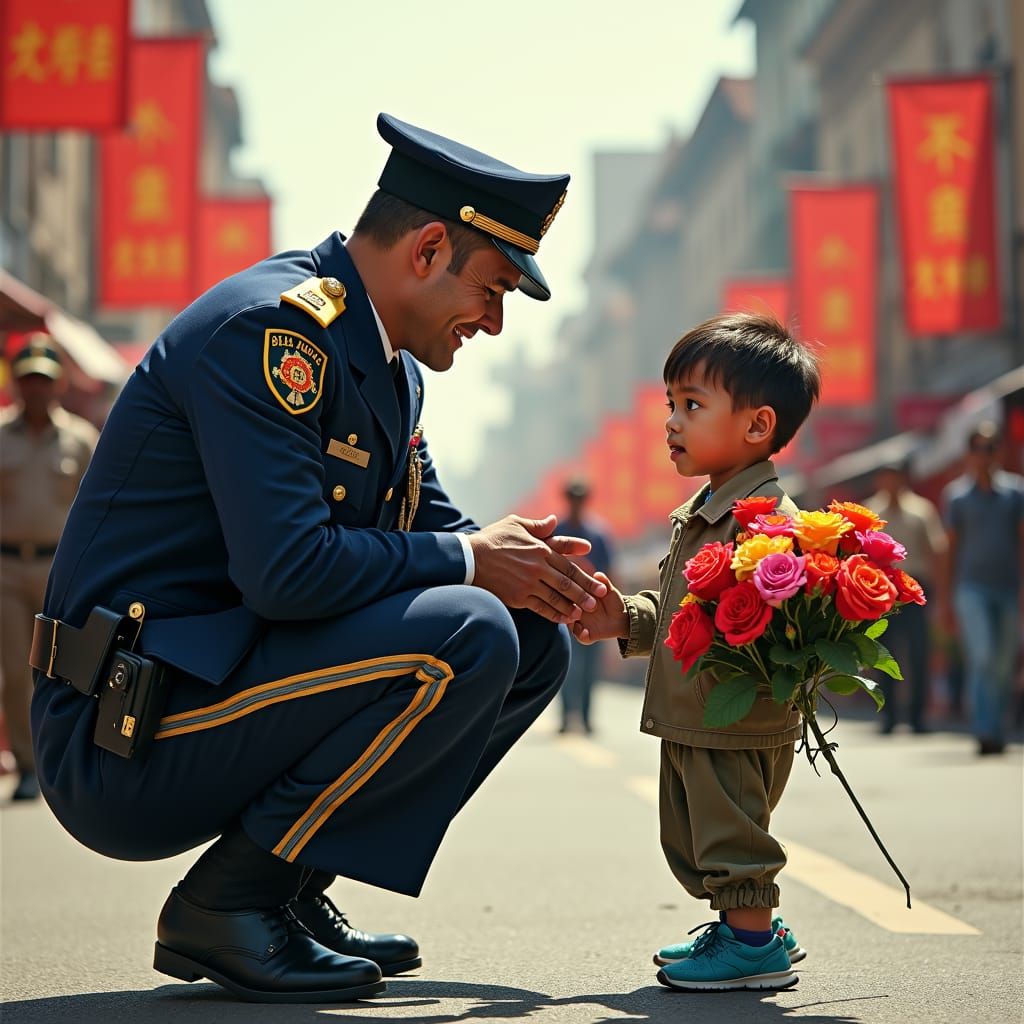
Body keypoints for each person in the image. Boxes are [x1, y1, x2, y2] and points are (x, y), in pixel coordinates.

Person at [30, 113, 607, 1004]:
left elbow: (437, 528)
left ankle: (292, 885)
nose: (493, 324)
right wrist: (472, 562)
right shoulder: (272, 333)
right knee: (469, 627)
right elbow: (289, 571)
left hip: (224, 685)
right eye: (491, 289)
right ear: (425, 249)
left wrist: (545, 574)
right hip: (123, 728)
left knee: (527, 636)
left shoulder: (388, 364)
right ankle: (228, 907)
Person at [573, 312, 820, 992]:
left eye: (692, 405)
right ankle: (749, 931)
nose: (671, 422)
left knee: (731, 834)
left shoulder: (765, 521)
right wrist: (620, 618)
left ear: (756, 426)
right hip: (698, 709)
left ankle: (753, 946)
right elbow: (688, 613)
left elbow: (772, 618)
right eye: (669, 405)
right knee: (696, 833)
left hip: (732, 717)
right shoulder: (707, 510)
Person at [0, 335, 97, 802]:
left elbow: (100, 507)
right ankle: (26, 765)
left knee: (65, 669)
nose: (35, 389)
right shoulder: (0, 434)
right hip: (7, 571)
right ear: (17, 384)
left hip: (62, 570)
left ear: (57, 385)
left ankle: (64, 758)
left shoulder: (80, 440)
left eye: (43, 380)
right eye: (27, 380)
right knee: (16, 673)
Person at [942, 422, 1024, 756]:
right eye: (978, 448)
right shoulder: (957, 497)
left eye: (990, 447)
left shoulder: (1016, 493)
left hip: (1007, 589)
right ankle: (985, 730)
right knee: (984, 655)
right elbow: (950, 549)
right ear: (969, 454)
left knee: (1003, 663)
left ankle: (997, 727)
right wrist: (945, 600)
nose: (984, 455)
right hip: (970, 590)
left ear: (999, 452)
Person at [864, 460, 947, 733]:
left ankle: (917, 716)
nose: (891, 484)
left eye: (895, 477)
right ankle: (887, 715)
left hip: (915, 590)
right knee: (883, 653)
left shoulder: (921, 511)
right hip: (881, 591)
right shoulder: (871, 512)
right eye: (886, 478)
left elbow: (937, 551)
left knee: (918, 652)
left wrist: (941, 596)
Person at [558, 477, 613, 734]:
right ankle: (566, 717)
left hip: (594, 610)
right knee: (566, 666)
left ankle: (587, 718)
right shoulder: (558, 532)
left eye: (580, 498)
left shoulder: (599, 535)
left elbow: (611, 573)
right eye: (573, 498)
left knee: (590, 669)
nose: (577, 503)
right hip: (560, 610)